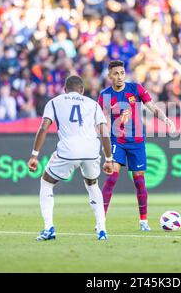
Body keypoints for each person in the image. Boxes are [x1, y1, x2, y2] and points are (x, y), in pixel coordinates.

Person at [27, 75, 114, 241]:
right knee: (92, 185)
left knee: (46, 182)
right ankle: (102, 230)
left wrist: (34, 155)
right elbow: (104, 132)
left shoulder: (55, 102)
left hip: (69, 150)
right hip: (91, 150)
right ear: (82, 90)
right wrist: (109, 159)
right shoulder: (93, 104)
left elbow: (44, 127)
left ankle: (49, 228)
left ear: (65, 90)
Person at [98, 60, 176, 231]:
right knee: (112, 177)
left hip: (137, 141)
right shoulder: (105, 95)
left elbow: (152, 107)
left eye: (122, 73)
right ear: (110, 76)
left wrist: (165, 119)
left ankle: (143, 222)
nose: (120, 77)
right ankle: (100, 221)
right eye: (116, 74)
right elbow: (101, 121)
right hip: (117, 140)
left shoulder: (135, 89)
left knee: (139, 182)